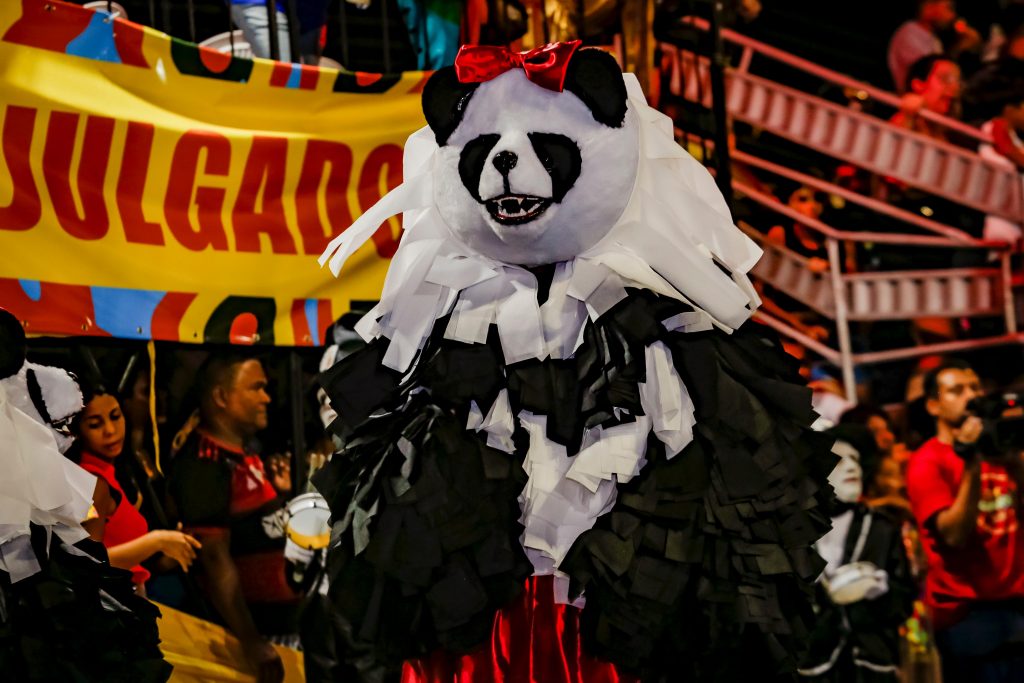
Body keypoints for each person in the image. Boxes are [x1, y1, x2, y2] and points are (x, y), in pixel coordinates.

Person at [168, 354, 294, 683]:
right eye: (256, 388)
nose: (266, 397)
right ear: (222, 397)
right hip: (248, 642)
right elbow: (214, 555)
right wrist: (250, 639)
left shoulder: (245, 454)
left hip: (283, 630)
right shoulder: (204, 464)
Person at [905, 359, 1024, 682]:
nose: (970, 397)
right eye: (956, 391)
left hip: (1015, 601)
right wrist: (971, 463)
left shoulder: (1000, 448)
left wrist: (1017, 461)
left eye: (974, 387)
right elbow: (954, 535)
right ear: (933, 406)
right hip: (967, 614)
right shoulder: (927, 461)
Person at [798, 424, 915, 682]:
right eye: (839, 461)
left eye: (856, 460)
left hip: (871, 666)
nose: (852, 467)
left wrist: (884, 592)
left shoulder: (882, 529)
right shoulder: (790, 532)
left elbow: (905, 601)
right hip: (815, 668)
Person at [70, 380, 201, 594]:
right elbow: (86, 567)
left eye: (115, 416)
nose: (110, 430)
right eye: (95, 424)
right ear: (77, 431)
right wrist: (156, 541)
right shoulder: (92, 482)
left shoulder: (109, 475)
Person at [889, 0, 980, 92]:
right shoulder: (909, 34)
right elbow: (930, 74)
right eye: (948, 8)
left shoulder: (933, 38)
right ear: (930, 7)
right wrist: (960, 48)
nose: (952, 16)